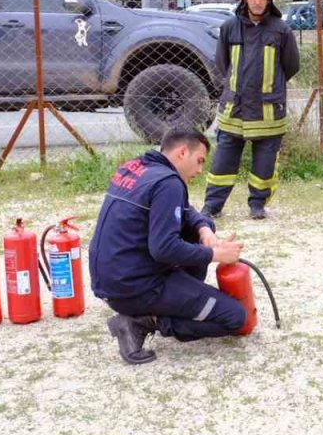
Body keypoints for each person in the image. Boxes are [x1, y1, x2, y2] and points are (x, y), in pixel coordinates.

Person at [90, 128, 247, 365]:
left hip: (112, 281)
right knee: (235, 317)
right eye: (199, 161)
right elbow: (163, 249)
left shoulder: (137, 168)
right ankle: (143, 322)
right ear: (183, 152)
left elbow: (184, 211)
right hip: (136, 287)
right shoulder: (168, 183)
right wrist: (216, 254)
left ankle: (178, 298)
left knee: (199, 228)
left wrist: (204, 229)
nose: (200, 170)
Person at [202, 0, 300, 221]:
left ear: (269, 0)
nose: (257, 2)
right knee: (223, 160)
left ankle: (257, 204)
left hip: (268, 111)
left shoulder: (281, 30)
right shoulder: (229, 28)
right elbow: (223, 64)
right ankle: (212, 206)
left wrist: (270, 87)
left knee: (265, 163)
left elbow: (290, 66)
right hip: (234, 109)